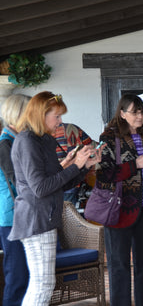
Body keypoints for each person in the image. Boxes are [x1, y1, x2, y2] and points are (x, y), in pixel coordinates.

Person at [7, 91, 102, 305]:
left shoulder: (43, 140)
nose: (60, 122)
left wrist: (84, 167)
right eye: (56, 116)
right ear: (41, 114)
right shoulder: (27, 141)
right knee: (42, 285)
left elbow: (59, 184)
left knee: (44, 284)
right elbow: (40, 188)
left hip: (44, 218)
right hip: (35, 220)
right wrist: (75, 164)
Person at [96, 94, 143, 306]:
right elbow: (103, 173)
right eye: (134, 112)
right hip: (118, 211)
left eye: (142, 111)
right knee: (119, 266)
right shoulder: (109, 137)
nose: (140, 116)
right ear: (122, 113)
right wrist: (134, 165)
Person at [0, 94, 31, 306]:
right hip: (12, 218)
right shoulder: (5, 144)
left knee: (25, 278)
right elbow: (18, 182)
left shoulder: (16, 140)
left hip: (20, 216)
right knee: (17, 277)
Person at [54, 123, 95, 207]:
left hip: (54, 184)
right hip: (73, 179)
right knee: (72, 215)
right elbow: (91, 146)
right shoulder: (72, 127)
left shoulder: (40, 135)